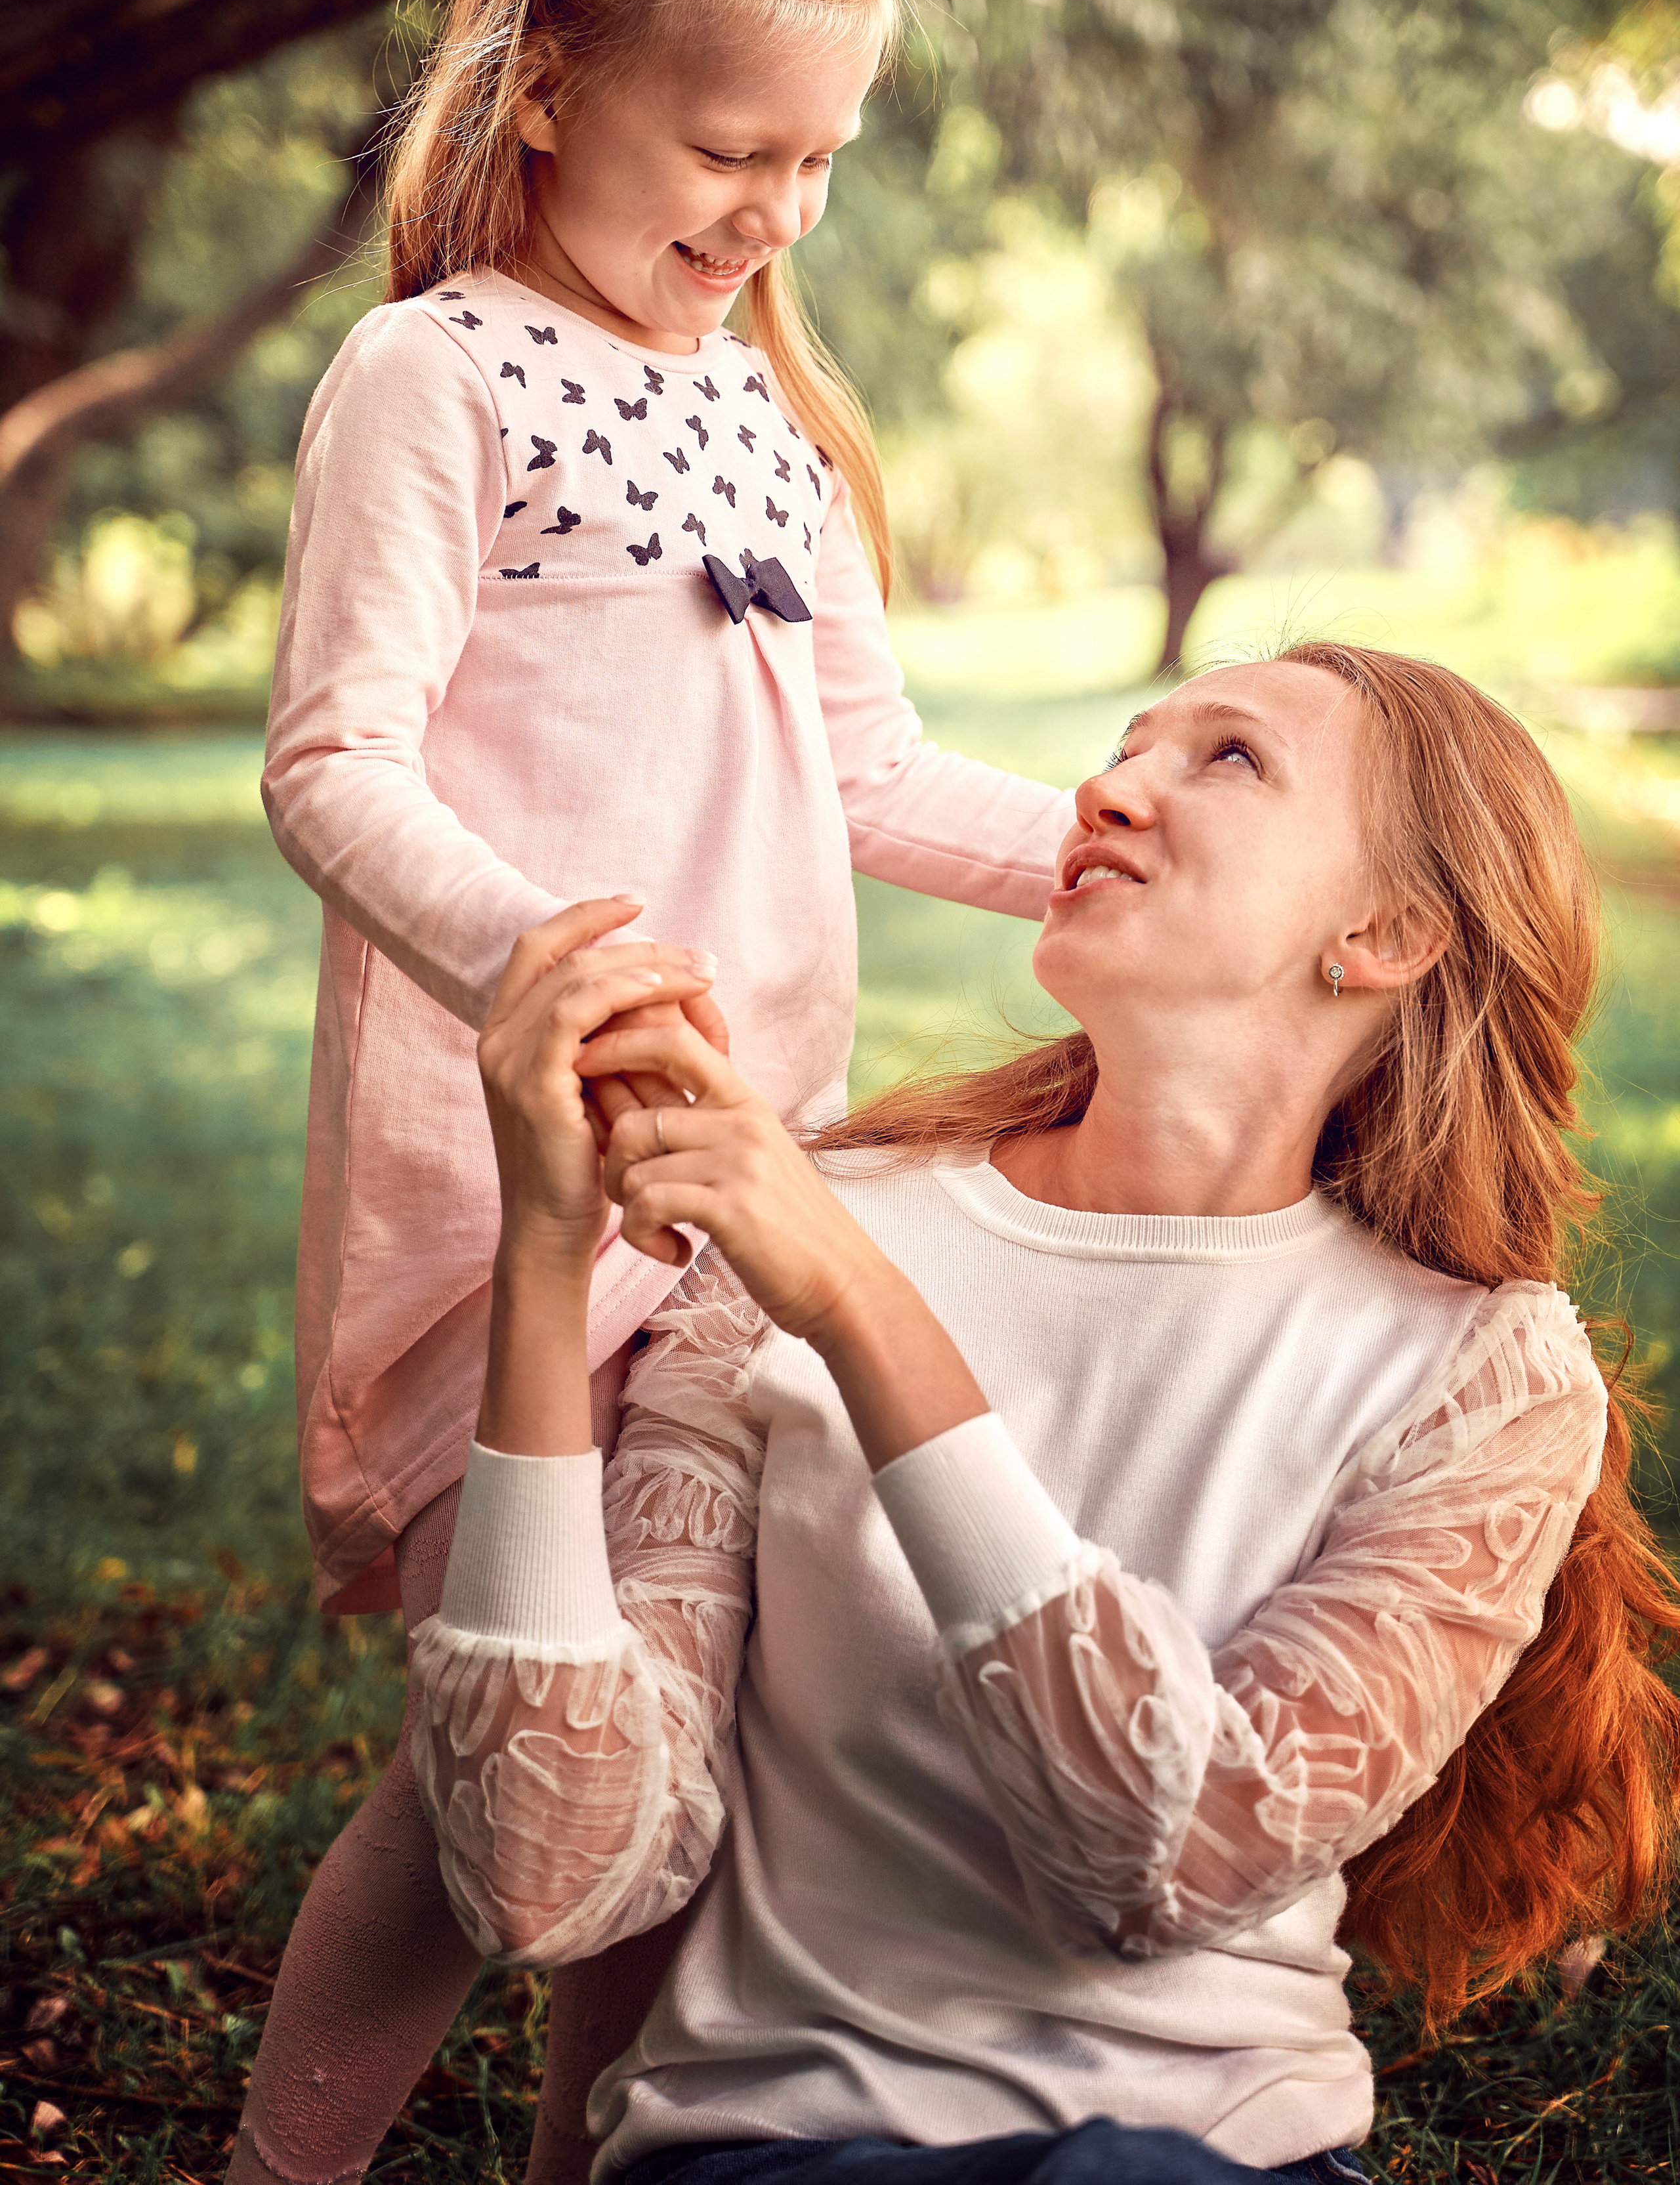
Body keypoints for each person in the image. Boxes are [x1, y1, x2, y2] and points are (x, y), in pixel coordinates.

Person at [239, 0, 1072, 2182]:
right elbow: (327, 767)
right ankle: (280, 2167)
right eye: (732, 148)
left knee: (665, 1740)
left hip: (747, 1179)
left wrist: (1111, 841)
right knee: (486, 1747)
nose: (779, 210)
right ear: (545, 88)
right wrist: (552, 962)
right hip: (528, 1182)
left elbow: (876, 775)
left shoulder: (777, 431)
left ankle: (608, 2159)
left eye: (823, 158)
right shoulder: (434, 378)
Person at [411, 641, 1680, 2185]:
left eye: (1226, 760)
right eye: (1131, 744)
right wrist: (546, 1256)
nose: (1108, 786)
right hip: (778, 2152)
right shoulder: (796, 1232)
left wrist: (862, 1312)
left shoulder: (1479, 1375)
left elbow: (1167, 1863)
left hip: (1211, 2161)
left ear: (1387, 929)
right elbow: (547, 1879)